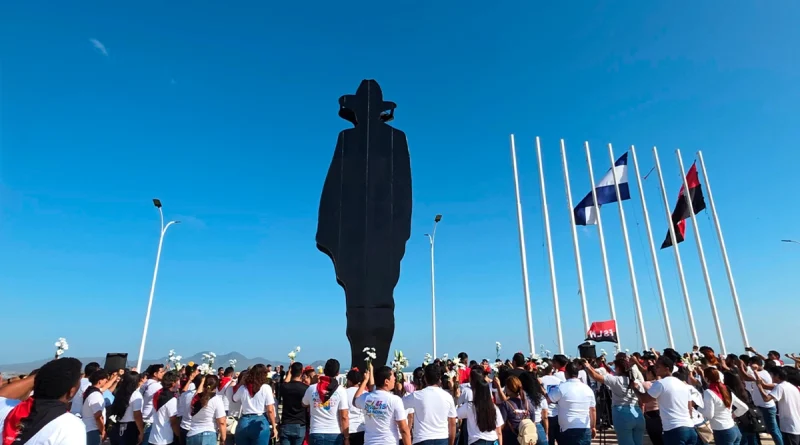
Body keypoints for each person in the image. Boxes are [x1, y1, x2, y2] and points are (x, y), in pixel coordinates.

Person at [0, 358, 86, 445]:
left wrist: (44, 375)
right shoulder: (70, 425)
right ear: (71, 392)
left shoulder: (7, 408)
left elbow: (3, 394)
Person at [633, 356, 697, 445]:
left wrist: (634, 388)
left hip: (674, 429)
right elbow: (689, 407)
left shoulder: (661, 383)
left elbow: (644, 399)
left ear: (667, 369)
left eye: (658, 366)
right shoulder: (682, 384)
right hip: (690, 427)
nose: (655, 368)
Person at [584, 356, 644, 445]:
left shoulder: (616, 380)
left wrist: (587, 366)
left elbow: (595, 376)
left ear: (618, 368)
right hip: (637, 413)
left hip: (622, 413)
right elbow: (641, 401)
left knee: (626, 442)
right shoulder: (637, 382)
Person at [352, 365, 411, 445]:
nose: (394, 379)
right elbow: (403, 429)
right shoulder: (395, 400)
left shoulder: (366, 398)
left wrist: (365, 381)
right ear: (386, 381)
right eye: (393, 376)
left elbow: (355, 400)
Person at [402, 365, 457, 445]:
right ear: (439, 378)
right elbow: (452, 424)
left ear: (425, 378)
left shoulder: (417, 395)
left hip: (422, 439)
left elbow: (399, 405)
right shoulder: (448, 397)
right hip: (442, 439)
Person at [546, 362, 596, 445]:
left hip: (568, 429)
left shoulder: (561, 387)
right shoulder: (588, 389)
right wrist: (593, 427)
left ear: (566, 373)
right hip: (585, 428)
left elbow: (547, 401)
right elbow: (593, 409)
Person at [303, 359, 350, 445]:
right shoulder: (341, 391)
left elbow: (304, 403)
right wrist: (346, 437)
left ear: (324, 371)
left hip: (316, 432)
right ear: (337, 373)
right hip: (334, 433)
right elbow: (344, 416)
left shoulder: (312, 388)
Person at [738, 357, 783, 445]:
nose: (750, 366)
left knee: (773, 430)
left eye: (751, 364)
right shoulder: (760, 373)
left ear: (756, 364)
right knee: (758, 428)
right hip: (760, 405)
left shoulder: (762, 373)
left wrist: (740, 366)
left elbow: (746, 377)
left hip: (766, 406)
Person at [697, 368, 748, 445]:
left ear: (706, 378)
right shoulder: (726, 389)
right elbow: (744, 407)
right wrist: (733, 415)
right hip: (734, 428)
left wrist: (699, 408)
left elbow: (709, 415)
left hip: (722, 431)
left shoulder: (709, 392)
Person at [232, 364, 278, 445]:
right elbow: (270, 410)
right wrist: (274, 426)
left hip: (244, 420)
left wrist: (241, 383)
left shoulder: (243, 388)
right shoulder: (266, 388)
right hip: (260, 420)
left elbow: (234, 399)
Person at [456, 368, 503, 445]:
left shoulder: (469, 406)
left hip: (476, 441)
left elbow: (455, 415)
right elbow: (499, 432)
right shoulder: (494, 408)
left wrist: (457, 397)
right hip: (493, 441)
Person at [754, 366, 800, 445]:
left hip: (789, 426)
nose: (770, 377)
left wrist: (759, 386)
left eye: (772, 375)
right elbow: (765, 385)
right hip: (795, 424)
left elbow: (766, 398)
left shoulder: (780, 387)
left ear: (777, 376)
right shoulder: (791, 386)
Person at [187, 375, 227, 445]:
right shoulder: (216, 399)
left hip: (192, 434)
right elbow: (222, 422)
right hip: (208, 434)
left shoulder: (195, 398)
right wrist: (223, 439)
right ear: (216, 386)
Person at [108, 371, 145, 445]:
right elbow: (137, 415)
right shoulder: (136, 394)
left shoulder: (119, 392)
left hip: (117, 426)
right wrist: (141, 431)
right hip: (129, 427)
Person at [498, 375, 537, 445]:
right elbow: (533, 422)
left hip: (511, 439)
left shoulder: (505, 405)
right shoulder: (529, 403)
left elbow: (501, 426)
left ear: (508, 389)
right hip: (526, 440)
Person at [149, 371, 181, 445]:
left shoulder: (157, 394)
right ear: (173, 383)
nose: (179, 385)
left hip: (153, 436)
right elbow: (173, 421)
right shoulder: (172, 400)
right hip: (165, 439)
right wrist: (178, 435)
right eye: (178, 382)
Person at [281, 362, 309, 445]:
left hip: (286, 423)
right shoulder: (306, 389)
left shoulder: (284, 387)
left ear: (291, 372)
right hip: (300, 423)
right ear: (301, 373)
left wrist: (290, 371)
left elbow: (285, 381)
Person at [81, 369, 111, 445]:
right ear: (100, 381)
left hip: (89, 428)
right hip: (92, 429)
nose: (107, 381)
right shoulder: (96, 395)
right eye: (105, 379)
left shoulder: (90, 391)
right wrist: (103, 430)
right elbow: (98, 416)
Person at [345, 368, 367, 445]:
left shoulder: (344, 393)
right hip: (362, 428)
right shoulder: (365, 393)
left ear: (349, 380)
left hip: (348, 429)